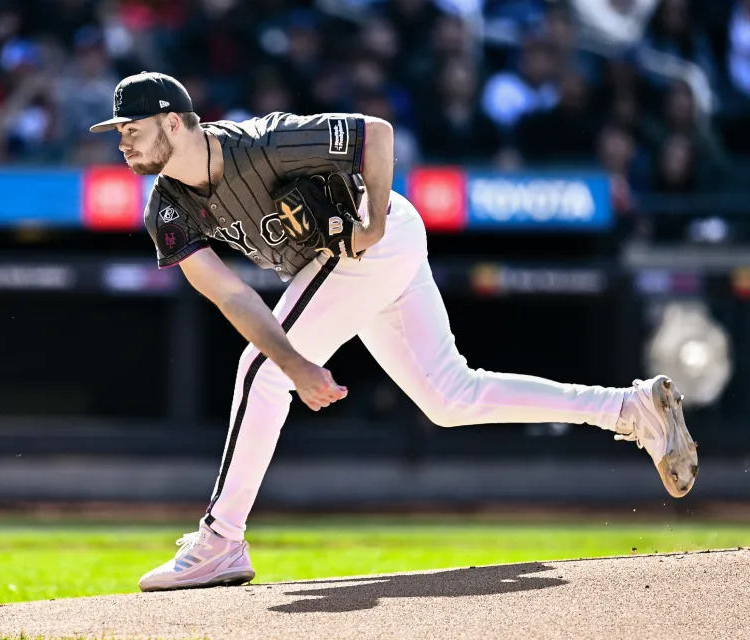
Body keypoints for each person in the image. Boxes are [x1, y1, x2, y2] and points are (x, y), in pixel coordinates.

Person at [89, 72, 699, 593]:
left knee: (259, 370)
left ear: (173, 123)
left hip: (374, 242)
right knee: (448, 395)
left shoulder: (261, 141)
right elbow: (231, 293)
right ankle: (630, 408)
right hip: (344, 261)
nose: (121, 142)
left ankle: (220, 539)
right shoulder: (165, 207)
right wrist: (298, 365)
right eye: (117, 132)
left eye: (130, 129)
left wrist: (375, 220)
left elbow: (374, 135)